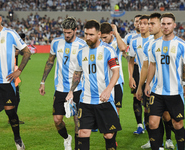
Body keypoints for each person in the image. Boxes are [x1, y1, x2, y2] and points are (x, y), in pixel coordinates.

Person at [66, 20, 122, 150]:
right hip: (86, 100)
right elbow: (77, 73)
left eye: (91, 34)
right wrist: (71, 91)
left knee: (108, 135)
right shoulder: (81, 52)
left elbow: (116, 72)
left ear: (99, 34)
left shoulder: (108, 50)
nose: (88, 37)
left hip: (105, 100)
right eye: (86, 34)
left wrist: (108, 90)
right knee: (82, 133)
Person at [0, 9, 31, 150]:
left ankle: (18, 139)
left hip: (6, 82)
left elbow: (27, 52)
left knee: (10, 112)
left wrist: (18, 71)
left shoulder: (10, 34)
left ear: (0, 19)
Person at [39, 17, 86, 150]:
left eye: (69, 33)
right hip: (60, 88)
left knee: (78, 122)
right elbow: (50, 61)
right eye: (64, 32)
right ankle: (67, 138)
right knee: (57, 120)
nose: (66, 35)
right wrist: (42, 81)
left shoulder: (82, 45)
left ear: (75, 30)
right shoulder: (56, 42)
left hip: (78, 89)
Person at [145, 13, 185, 150]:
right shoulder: (154, 44)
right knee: (152, 123)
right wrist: (147, 83)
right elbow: (152, 65)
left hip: (175, 91)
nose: (166, 26)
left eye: (169, 24)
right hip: (157, 91)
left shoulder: (181, 44)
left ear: (174, 25)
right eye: (163, 24)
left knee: (177, 123)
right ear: (161, 25)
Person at [136, 13, 174, 149]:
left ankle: (169, 139)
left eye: (152, 24)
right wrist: (141, 86)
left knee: (168, 117)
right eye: (148, 24)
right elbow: (146, 66)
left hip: (169, 87)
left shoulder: (172, 42)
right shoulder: (150, 44)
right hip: (152, 88)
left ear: (159, 24)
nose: (149, 27)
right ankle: (158, 143)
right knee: (151, 117)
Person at [100, 22, 127, 147]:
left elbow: (123, 48)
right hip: (103, 84)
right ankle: (108, 136)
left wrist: (116, 33)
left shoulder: (116, 43)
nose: (103, 40)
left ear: (111, 34)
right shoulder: (99, 45)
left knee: (115, 113)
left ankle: (112, 140)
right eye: (101, 37)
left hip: (116, 83)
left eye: (105, 37)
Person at [128, 15, 153, 135]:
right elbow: (130, 59)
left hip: (156, 80)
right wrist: (131, 76)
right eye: (139, 23)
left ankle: (167, 139)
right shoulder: (133, 40)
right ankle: (149, 135)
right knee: (146, 107)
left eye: (144, 23)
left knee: (163, 113)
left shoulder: (155, 40)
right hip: (141, 76)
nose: (141, 25)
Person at [124, 15, 143, 134]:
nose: (138, 24)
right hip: (135, 69)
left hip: (147, 69)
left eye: (140, 22)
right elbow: (123, 51)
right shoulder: (129, 37)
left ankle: (149, 123)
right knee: (136, 96)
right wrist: (129, 57)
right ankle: (140, 125)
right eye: (136, 21)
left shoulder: (150, 37)